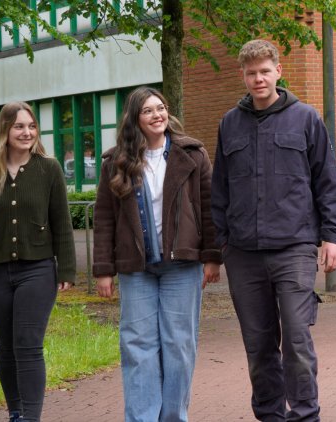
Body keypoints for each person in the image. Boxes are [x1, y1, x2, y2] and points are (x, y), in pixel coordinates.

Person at [211, 39, 336, 422]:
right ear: (243, 75)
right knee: (258, 344)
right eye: (251, 73)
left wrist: (333, 237)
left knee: (298, 341)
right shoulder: (229, 123)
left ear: (278, 71)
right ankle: (269, 414)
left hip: (294, 249)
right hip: (243, 254)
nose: (258, 79)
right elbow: (219, 188)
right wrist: (223, 243)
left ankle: (305, 415)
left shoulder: (305, 118)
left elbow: (327, 182)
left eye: (265, 71)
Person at [91, 87, 221, 421]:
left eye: (161, 108)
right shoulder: (115, 162)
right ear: (135, 119)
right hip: (136, 268)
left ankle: (174, 417)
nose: (157, 115)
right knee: (138, 347)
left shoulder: (192, 154)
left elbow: (209, 208)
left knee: (179, 346)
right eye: (148, 110)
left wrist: (212, 256)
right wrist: (103, 269)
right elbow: (104, 218)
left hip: (182, 266)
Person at [0, 101, 76, 422]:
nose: (27, 132)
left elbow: (62, 223)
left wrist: (66, 269)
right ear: (4, 131)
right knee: (6, 348)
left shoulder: (49, 169)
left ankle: (31, 418)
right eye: (19, 126)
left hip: (37, 271)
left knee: (28, 345)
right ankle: (16, 411)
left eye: (31, 126)